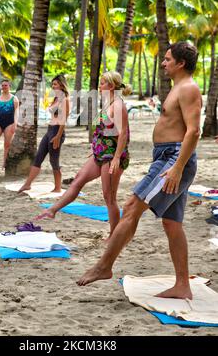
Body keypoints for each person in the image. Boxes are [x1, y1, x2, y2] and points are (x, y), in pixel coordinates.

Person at [76, 42, 201, 300]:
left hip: (174, 159)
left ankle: (104, 267)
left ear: (180, 63)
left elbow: (194, 131)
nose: (163, 63)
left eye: (167, 59)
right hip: (168, 157)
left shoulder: (188, 89)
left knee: (132, 207)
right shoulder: (178, 88)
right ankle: (182, 285)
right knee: (172, 223)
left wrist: (177, 168)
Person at [35, 71, 132, 240]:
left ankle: (114, 235)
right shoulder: (108, 103)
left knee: (109, 197)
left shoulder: (118, 104)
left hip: (112, 156)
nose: (99, 86)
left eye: (102, 83)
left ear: (110, 86)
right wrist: (97, 147)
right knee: (78, 179)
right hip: (100, 154)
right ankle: (52, 210)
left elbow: (123, 134)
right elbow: (106, 131)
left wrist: (116, 158)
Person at [17, 74, 70, 194]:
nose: (53, 86)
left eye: (55, 84)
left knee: (54, 161)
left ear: (62, 85)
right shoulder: (55, 99)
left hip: (57, 131)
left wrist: (57, 136)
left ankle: (58, 187)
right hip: (49, 130)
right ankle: (27, 184)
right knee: (38, 157)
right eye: (52, 84)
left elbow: (63, 120)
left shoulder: (65, 100)